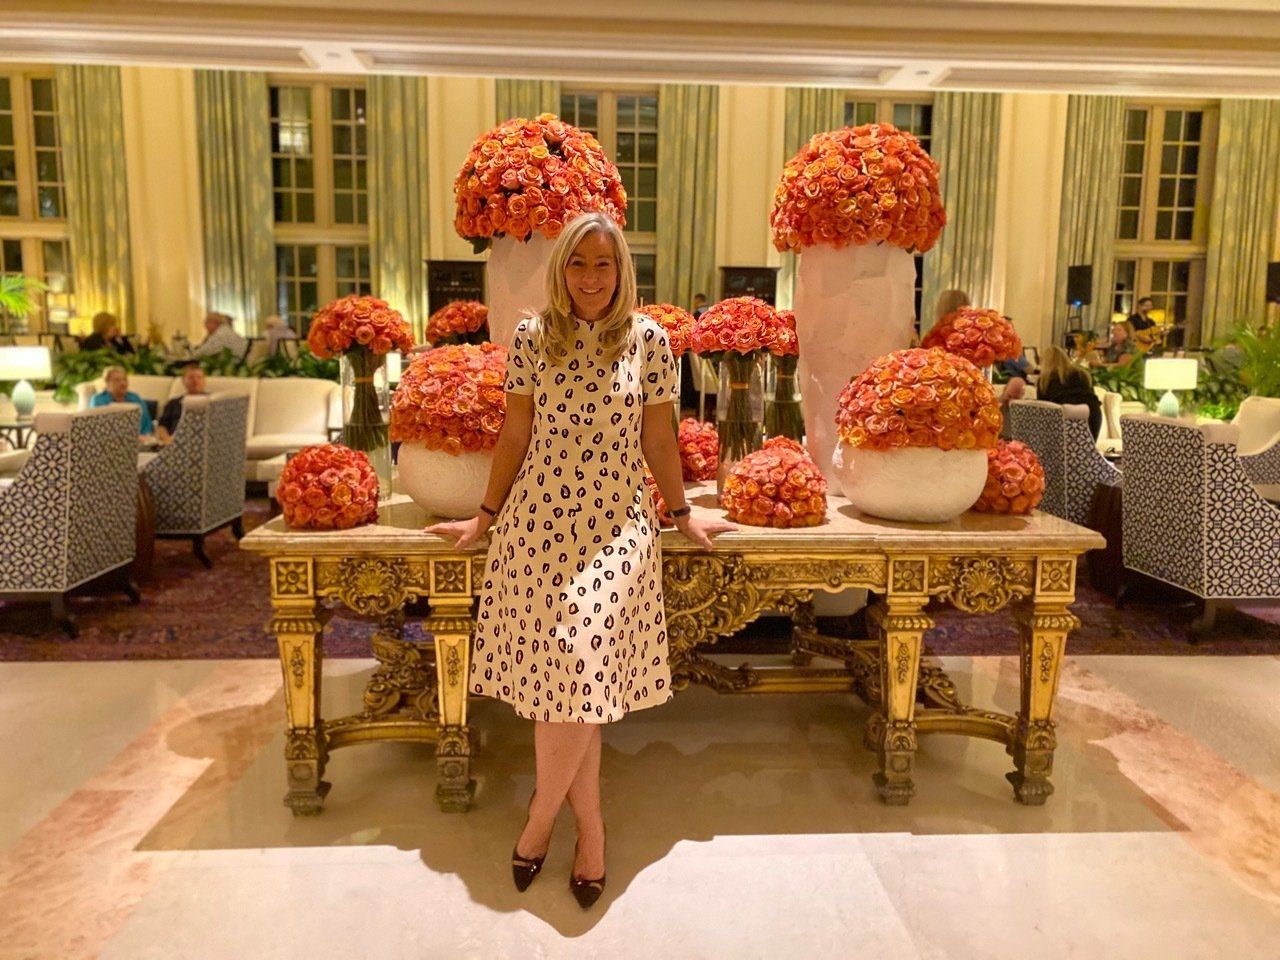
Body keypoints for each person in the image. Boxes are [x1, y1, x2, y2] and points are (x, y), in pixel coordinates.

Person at [427, 212, 736, 908]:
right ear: (561, 269)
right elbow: (515, 433)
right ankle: (590, 830)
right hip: (536, 524)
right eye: (578, 263)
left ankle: (542, 818)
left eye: (603, 263)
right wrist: (484, 515)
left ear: (621, 269)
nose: (591, 277)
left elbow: (660, 439)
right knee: (565, 682)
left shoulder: (650, 340)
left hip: (616, 523)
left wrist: (682, 512)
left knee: (577, 658)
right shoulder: (532, 336)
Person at [1037, 345, 1102, 438]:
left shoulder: (1045, 380)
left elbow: (1042, 408)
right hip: (1092, 413)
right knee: (1088, 446)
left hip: (1065, 416)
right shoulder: (1082, 374)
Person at [90, 365, 154, 436]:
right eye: (117, 380)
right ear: (107, 382)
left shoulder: (135, 398)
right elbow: (97, 426)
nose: (123, 383)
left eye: (125, 379)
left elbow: (147, 423)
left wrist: (143, 436)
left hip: (140, 439)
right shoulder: (98, 400)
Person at [155, 361, 208, 443]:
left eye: (199, 377)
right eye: (191, 377)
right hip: (175, 443)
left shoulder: (213, 402)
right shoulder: (173, 403)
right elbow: (162, 426)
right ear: (183, 381)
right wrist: (168, 440)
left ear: (204, 381)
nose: (195, 381)